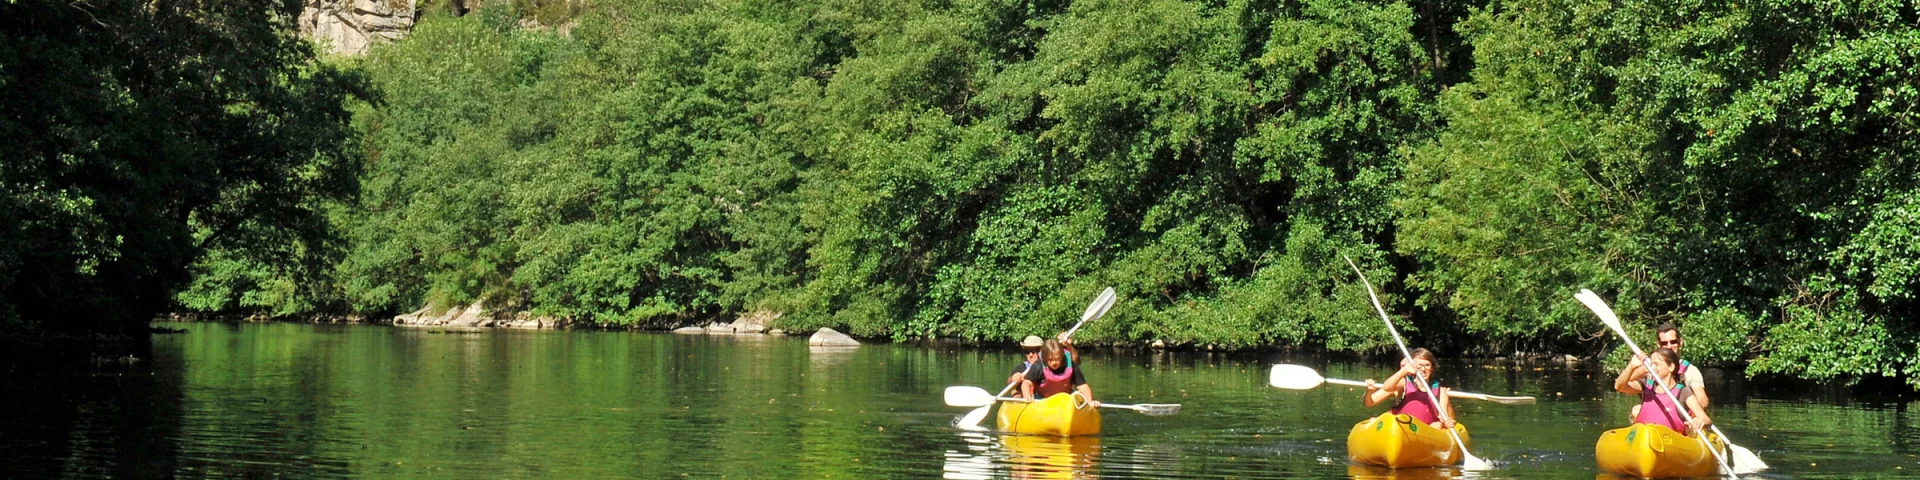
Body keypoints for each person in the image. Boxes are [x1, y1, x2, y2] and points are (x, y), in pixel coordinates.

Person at [1626, 322, 1709, 421]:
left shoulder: (1691, 371)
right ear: (1658, 344)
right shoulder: (1651, 366)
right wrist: (1642, 369)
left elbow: (1702, 399)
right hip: (1654, 419)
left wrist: (1695, 418)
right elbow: (1626, 383)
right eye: (1664, 343)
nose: (1669, 346)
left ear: (1680, 342)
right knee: (1636, 410)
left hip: (1679, 420)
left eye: (1673, 342)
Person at [1615, 347, 1710, 434]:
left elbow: (1706, 419)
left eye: (1656, 364)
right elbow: (1619, 387)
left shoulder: (1683, 392)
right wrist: (1631, 366)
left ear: (1671, 367)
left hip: (1670, 443)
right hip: (1644, 441)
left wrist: (1699, 421)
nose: (1652, 368)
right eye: (1651, 364)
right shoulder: (1646, 385)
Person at [1362, 348, 1457, 429]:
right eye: (1419, 365)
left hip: (1424, 431)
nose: (1423, 369)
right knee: (1374, 420)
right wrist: (1404, 371)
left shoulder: (1440, 391)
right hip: (1400, 427)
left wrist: (1447, 422)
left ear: (1432, 368)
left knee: (1437, 425)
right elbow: (1386, 387)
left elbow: (1445, 417)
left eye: (1427, 365)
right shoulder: (1404, 382)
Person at [1021, 338, 1097, 407]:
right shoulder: (1038, 366)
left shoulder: (1071, 366)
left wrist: (1089, 401)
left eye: (1057, 359)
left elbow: (1083, 386)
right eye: (1050, 360)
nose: (1054, 363)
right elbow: (1026, 383)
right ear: (1044, 358)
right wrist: (1027, 397)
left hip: (1066, 399)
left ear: (1062, 357)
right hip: (1042, 399)